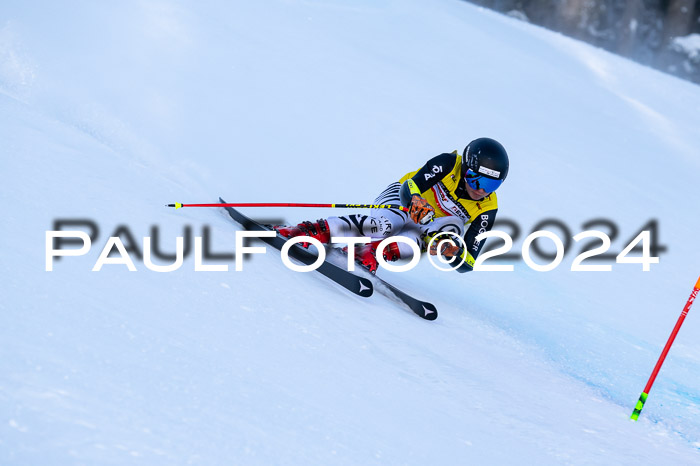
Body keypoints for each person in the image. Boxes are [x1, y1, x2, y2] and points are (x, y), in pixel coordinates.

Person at [274, 137, 509, 274]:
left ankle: (369, 252)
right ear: (464, 167)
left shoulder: (487, 208)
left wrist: (454, 252)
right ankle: (310, 231)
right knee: (384, 224)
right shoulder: (448, 163)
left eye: (491, 184)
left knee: (448, 229)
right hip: (403, 202)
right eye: (475, 178)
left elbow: (469, 262)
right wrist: (417, 201)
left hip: (427, 227)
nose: (481, 189)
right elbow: (410, 187)